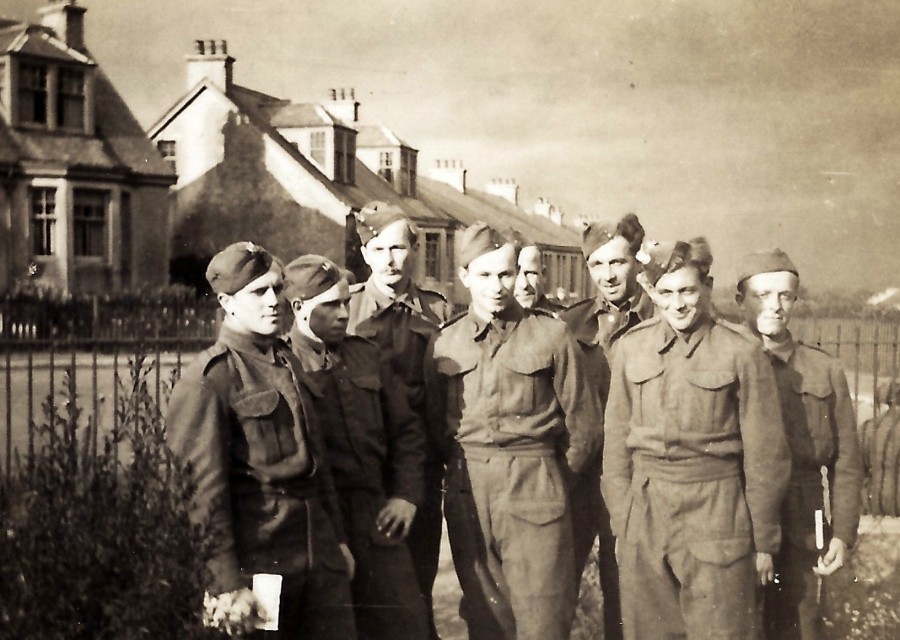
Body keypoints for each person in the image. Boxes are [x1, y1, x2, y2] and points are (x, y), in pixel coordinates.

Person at [602, 238, 792, 640]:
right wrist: (624, 522)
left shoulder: (741, 352)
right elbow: (616, 445)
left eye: (687, 290)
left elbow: (766, 456)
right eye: (666, 293)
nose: (678, 304)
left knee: (723, 631)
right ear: (652, 292)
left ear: (706, 287)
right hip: (647, 511)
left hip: (717, 510)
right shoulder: (630, 349)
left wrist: (763, 541)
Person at [166, 242, 356, 639]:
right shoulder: (210, 379)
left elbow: (318, 466)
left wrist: (337, 542)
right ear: (226, 302)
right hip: (260, 568)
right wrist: (225, 584)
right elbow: (201, 494)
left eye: (276, 288)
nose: (273, 301)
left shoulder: (288, 363)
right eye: (257, 292)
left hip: (318, 560)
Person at [424, 221, 603, 640]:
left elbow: (585, 427)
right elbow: (435, 426)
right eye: (484, 275)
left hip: (536, 486)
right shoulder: (444, 343)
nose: (497, 286)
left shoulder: (551, 334)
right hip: (470, 494)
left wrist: (551, 481)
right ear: (464, 276)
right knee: (486, 621)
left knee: (543, 620)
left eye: (506, 273)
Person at [282, 254, 429, 640]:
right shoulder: (282, 364)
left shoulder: (366, 354)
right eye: (330, 304)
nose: (344, 313)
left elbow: (408, 431)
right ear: (299, 307)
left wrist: (406, 495)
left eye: (346, 302)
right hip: (319, 523)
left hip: (375, 514)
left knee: (405, 624)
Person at [735, 248, 863, 640]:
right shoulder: (727, 361)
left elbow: (847, 460)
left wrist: (842, 532)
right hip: (739, 510)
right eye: (762, 295)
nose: (774, 306)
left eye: (784, 296)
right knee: (741, 622)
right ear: (740, 300)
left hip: (805, 516)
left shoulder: (824, 369)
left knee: (801, 624)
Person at [347, 201, 452, 639]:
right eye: (377, 248)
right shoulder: (346, 311)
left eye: (398, 248)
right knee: (365, 592)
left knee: (418, 587)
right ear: (364, 253)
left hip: (420, 472)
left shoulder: (438, 313)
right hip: (365, 472)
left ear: (413, 249)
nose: (389, 259)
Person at [558, 213, 653, 640]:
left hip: (634, 476)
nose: (608, 274)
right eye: (597, 265)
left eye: (618, 262)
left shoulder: (660, 318)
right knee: (559, 585)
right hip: (580, 477)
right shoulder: (570, 324)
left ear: (636, 261)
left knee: (627, 592)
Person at [513, 238, 567, 315]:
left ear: (544, 274)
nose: (524, 284)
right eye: (514, 274)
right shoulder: (492, 324)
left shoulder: (564, 321)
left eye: (531, 273)